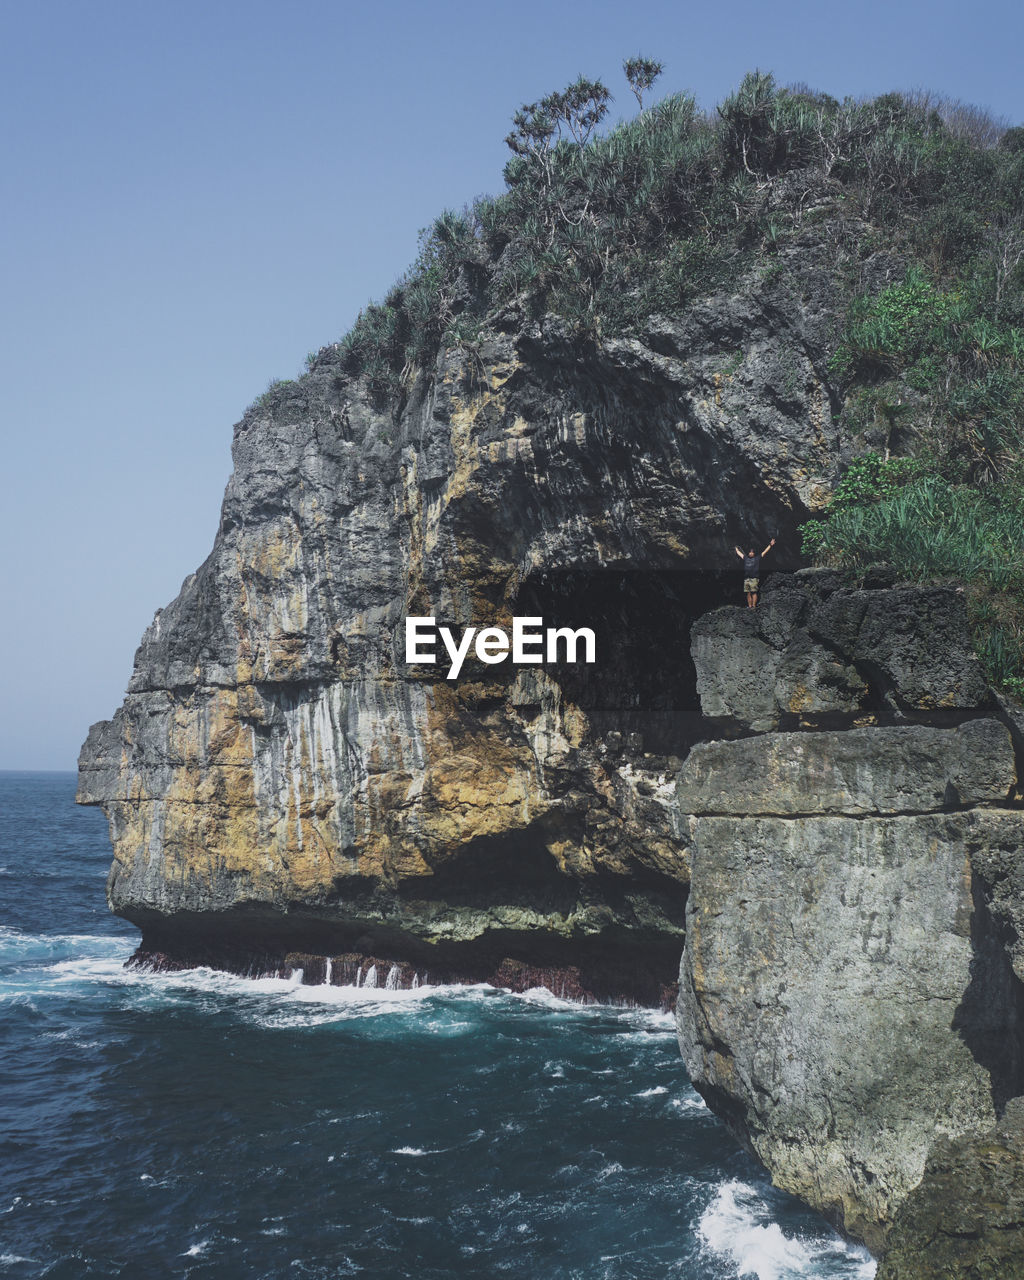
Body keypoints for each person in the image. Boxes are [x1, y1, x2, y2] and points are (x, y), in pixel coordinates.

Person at [735, 537, 776, 608]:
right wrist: (736, 549)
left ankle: (754, 606)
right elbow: (739, 553)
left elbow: (765, 551)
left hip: (754, 578)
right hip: (746, 578)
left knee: (754, 592)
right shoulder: (745, 558)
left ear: (754, 553)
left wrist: (770, 545)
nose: (751, 553)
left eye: (752, 552)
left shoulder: (757, 558)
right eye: (750, 552)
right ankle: (749, 606)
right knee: (748, 593)